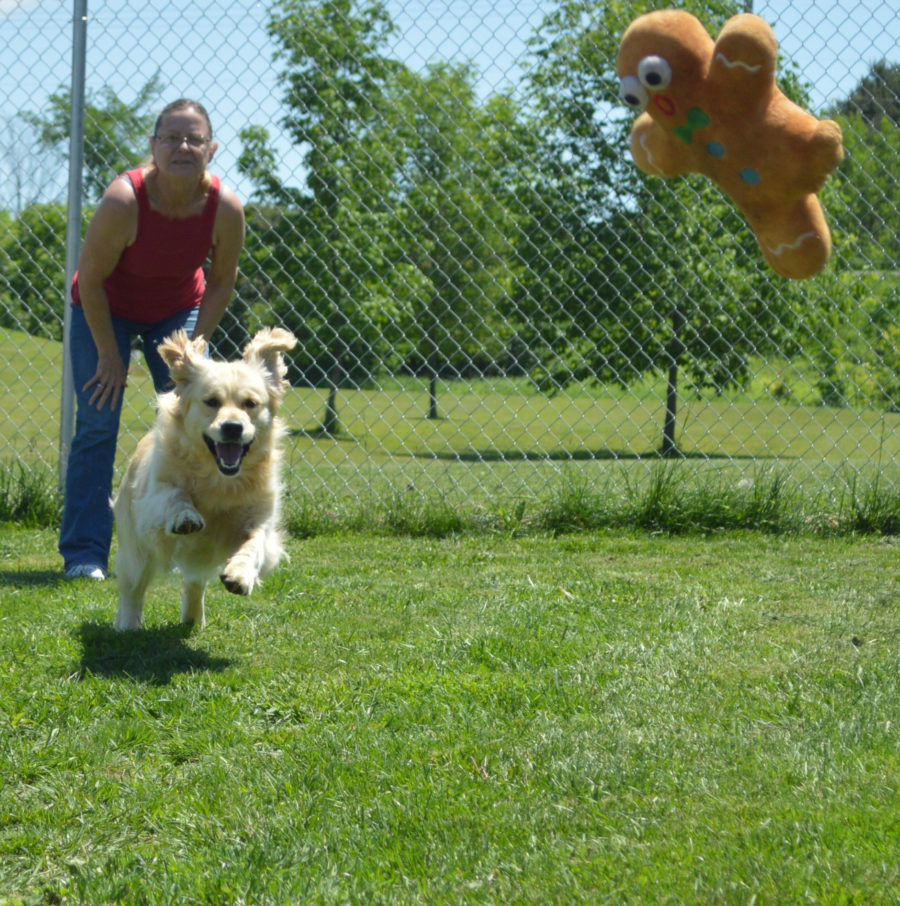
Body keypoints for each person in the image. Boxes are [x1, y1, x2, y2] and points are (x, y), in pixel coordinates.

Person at [59, 98, 245, 580]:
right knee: (98, 423)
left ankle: (192, 533)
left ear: (212, 148)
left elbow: (222, 280)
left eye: (194, 139)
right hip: (106, 309)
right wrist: (108, 355)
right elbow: (90, 280)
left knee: (186, 422)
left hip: (175, 312)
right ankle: (85, 553)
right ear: (153, 146)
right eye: (172, 138)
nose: (183, 146)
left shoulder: (225, 207)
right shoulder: (125, 199)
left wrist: (196, 347)